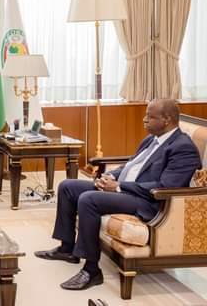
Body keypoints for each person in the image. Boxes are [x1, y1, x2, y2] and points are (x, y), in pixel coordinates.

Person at [35, 99, 201, 291]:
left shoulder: (183, 148)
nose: (144, 120)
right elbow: (132, 164)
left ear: (167, 119)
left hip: (148, 201)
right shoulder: (152, 139)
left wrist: (119, 187)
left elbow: (165, 186)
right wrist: (110, 176)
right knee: (67, 187)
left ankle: (92, 270)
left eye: (150, 117)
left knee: (89, 200)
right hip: (128, 190)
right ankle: (67, 249)